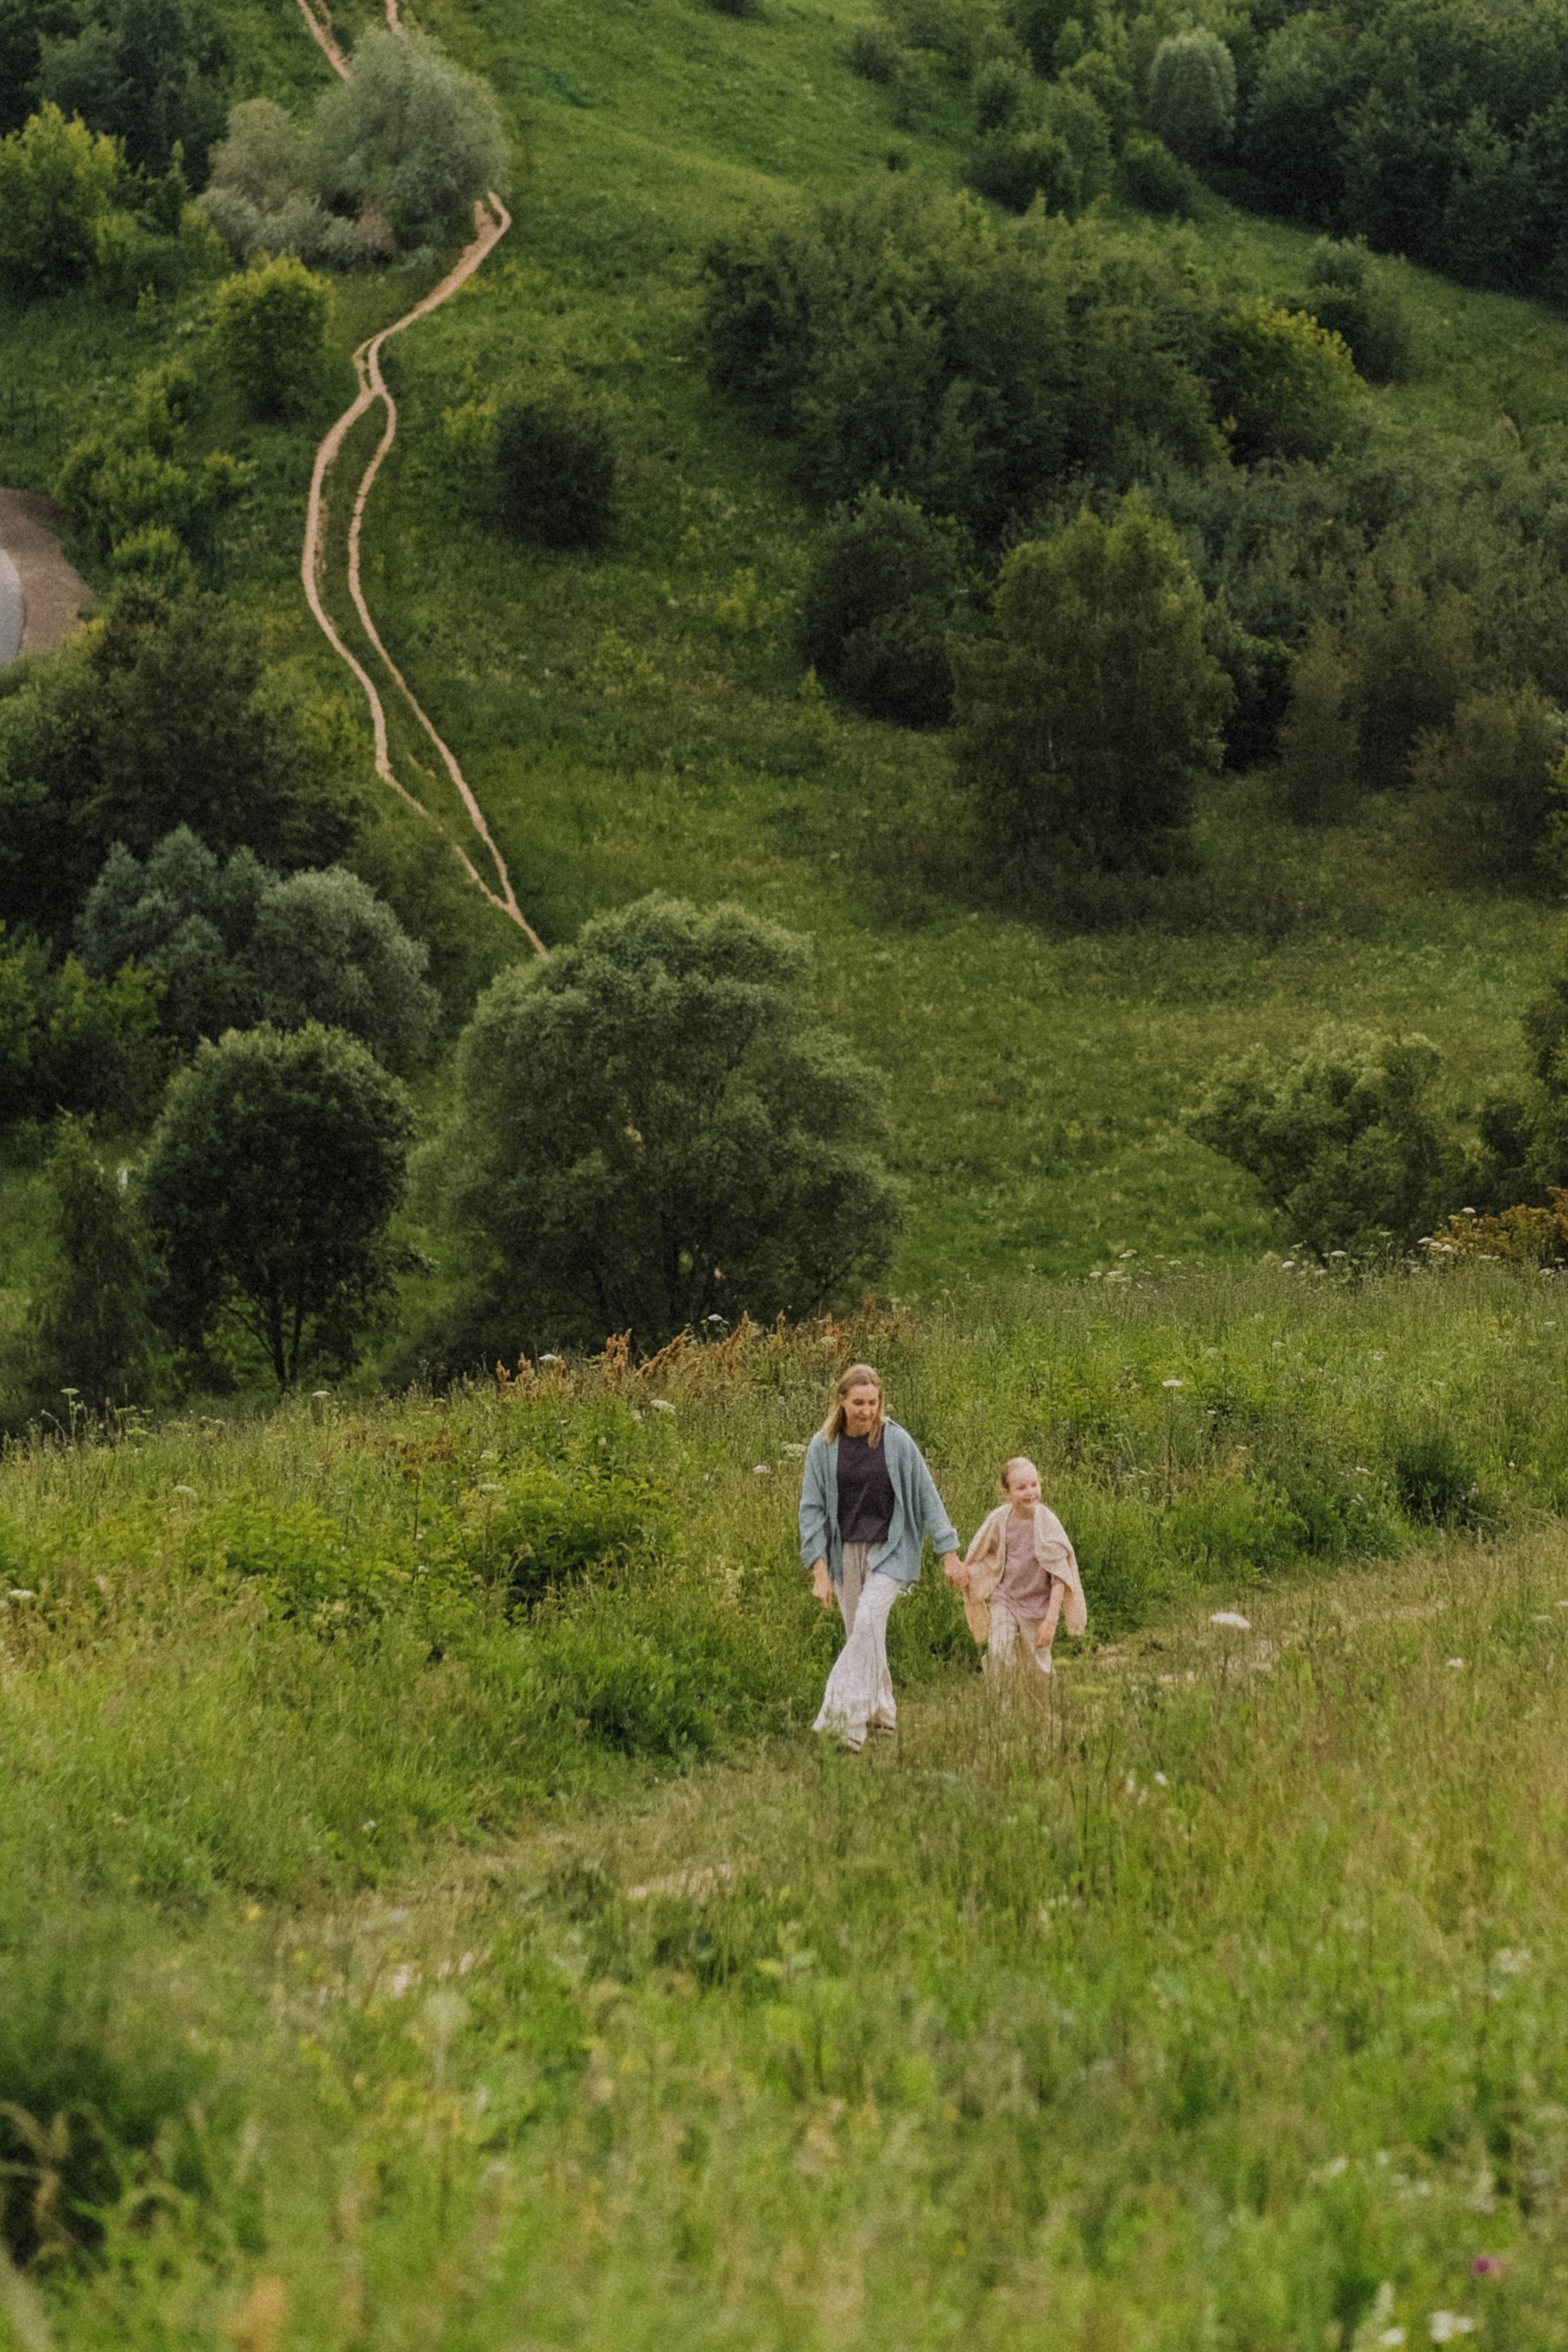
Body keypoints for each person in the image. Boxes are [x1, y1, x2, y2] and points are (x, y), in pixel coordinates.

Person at [799, 1362, 963, 1752]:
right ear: (841, 1401)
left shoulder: (897, 1442)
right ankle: (883, 1710)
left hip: (891, 1549)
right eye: (858, 1402)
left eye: (873, 1402)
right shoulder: (822, 1449)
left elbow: (926, 1496)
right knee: (863, 1634)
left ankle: (843, 1724)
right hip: (846, 1553)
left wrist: (949, 1553)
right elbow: (812, 1512)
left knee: (868, 1623)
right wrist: (819, 1573)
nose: (867, 1411)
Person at [947, 1456, 1087, 1690]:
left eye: (1034, 1485)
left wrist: (1051, 1621)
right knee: (1000, 1652)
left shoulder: (1048, 1523)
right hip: (1006, 1600)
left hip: (1037, 1606)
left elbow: (1060, 1576)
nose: (1030, 1492)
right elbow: (984, 1555)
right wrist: (967, 1573)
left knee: (1038, 1667)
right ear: (1007, 1493)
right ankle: (1002, 1713)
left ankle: (1044, 1719)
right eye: (1021, 1488)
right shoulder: (1000, 1520)